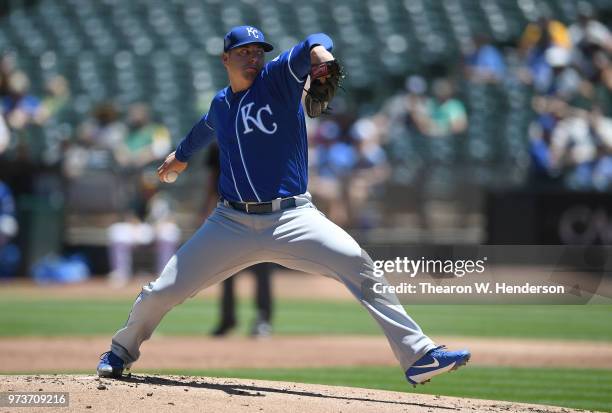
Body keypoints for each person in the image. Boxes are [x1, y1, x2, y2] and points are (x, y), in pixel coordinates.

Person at [97, 25, 470, 386]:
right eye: (244, 52)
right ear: (225, 58)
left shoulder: (278, 78)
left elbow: (315, 41)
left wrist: (322, 57)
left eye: (258, 52)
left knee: (361, 267)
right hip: (230, 222)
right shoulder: (222, 103)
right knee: (162, 290)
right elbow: (204, 127)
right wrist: (180, 156)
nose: (253, 58)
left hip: (293, 218)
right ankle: (119, 352)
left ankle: (419, 356)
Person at [203, 143, 273, 337]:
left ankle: (263, 318)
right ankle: (228, 318)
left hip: (260, 210)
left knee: (261, 269)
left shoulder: (259, 132)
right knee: (226, 270)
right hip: (228, 211)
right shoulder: (218, 140)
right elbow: (212, 178)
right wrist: (206, 208)